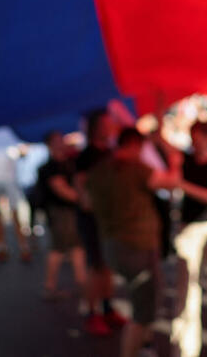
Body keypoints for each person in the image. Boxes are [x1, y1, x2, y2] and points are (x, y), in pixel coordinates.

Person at [86, 127, 179, 357]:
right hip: (137, 248)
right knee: (143, 310)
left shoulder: (99, 170)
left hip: (112, 245)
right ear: (135, 145)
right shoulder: (134, 169)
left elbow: (86, 200)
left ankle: (144, 345)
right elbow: (170, 182)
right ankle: (133, 349)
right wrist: (175, 162)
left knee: (140, 300)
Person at [173, 121, 207, 357]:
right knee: (188, 291)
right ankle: (187, 349)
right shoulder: (184, 160)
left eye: (200, 138)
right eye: (193, 139)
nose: (196, 144)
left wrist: (182, 185)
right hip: (190, 230)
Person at [74, 108, 125, 336]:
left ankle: (107, 308)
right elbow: (81, 187)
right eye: (106, 124)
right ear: (96, 128)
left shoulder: (111, 152)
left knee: (106, 265)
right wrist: (90, 203)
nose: (110, 127)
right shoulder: (86, 156)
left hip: (108, 219)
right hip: (93, 220)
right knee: (95, 267)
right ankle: (91, 313)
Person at [36, 131, 85, 300]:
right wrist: (84, 200)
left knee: (76, 246)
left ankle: (81, 283)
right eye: (58, 140)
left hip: (70, 211)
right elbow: (61, 190)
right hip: (60, 212)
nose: (62, 143)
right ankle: (50, 287)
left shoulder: (69, 162)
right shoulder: (49, 168)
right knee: (59, 248)